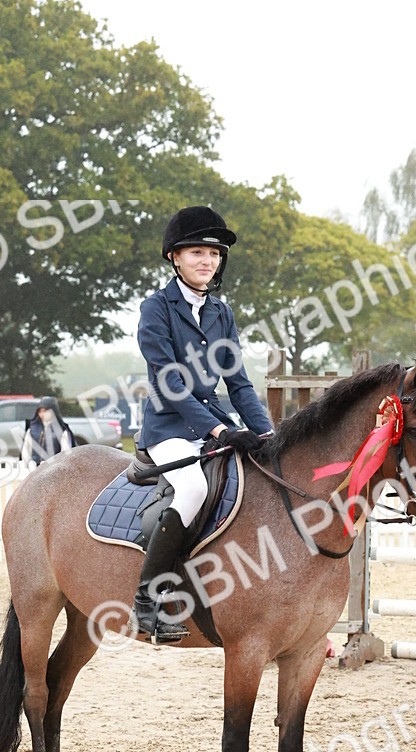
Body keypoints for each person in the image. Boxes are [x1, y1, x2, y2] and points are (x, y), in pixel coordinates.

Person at [132, 205, 274, 643]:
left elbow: (239, 384)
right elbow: (171, 384)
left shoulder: (221, 313)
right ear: (174, 257)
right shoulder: (156, 309)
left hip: (214, 424)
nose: (207, 261)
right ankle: (146, 600)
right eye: (197, 252)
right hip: (168, 429)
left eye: (214, 254)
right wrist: (219, 431)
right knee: (193, 488)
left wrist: (268, 434)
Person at [21, 398, 74, 466]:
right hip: (35, 467)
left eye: (45, 411)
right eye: (40, 411)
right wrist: (29, 463)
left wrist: (54, 465)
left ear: (53, 411)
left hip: (53, 468)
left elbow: (65, 452)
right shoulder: (32, 429)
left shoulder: (61, 430)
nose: (42, 414)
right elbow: (26, 449)